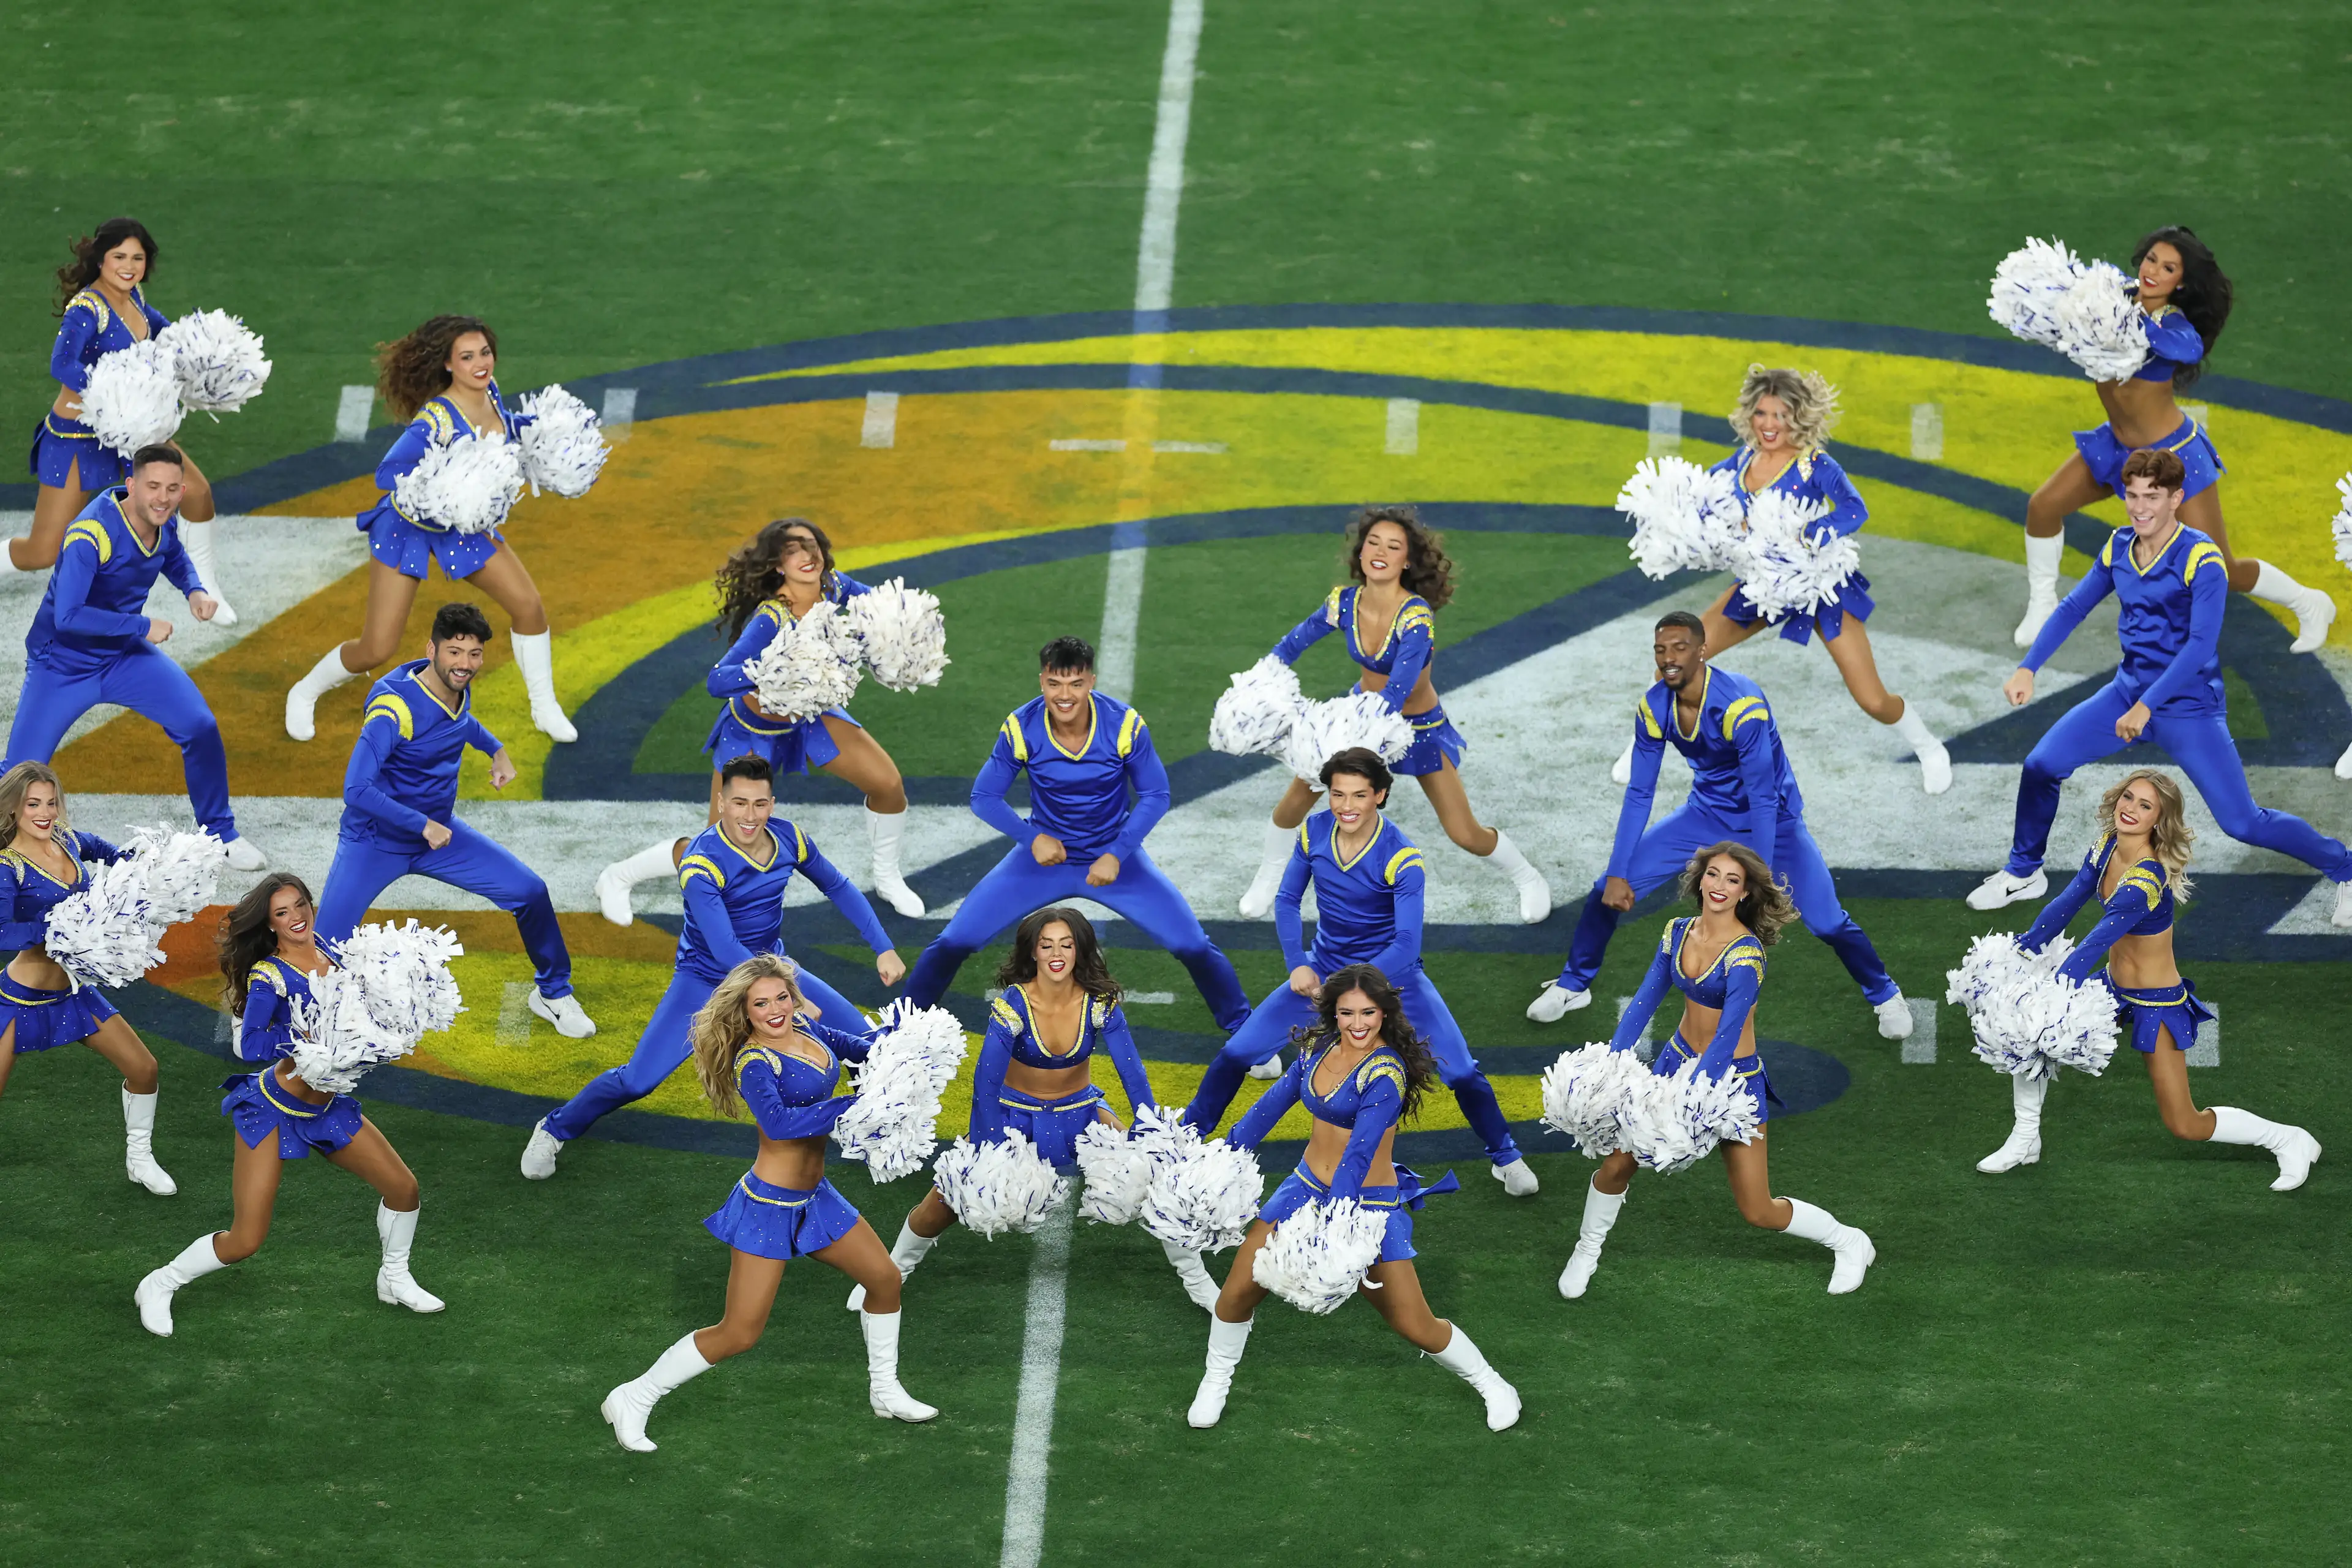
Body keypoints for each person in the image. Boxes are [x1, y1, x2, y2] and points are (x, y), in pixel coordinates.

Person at [1968, 447, 2352, 927]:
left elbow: (2199, 646)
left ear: (2177, 498)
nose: (2140, 506)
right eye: (2132, 494)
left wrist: (2147, 706)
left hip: (2188, 709)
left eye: (2153, 495)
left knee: (2243, 823)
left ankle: (2347, 867)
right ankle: (2025, 871)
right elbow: (2072, 608)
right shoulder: (2118, 547)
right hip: (2126, 696)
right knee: (2043, 764)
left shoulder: (2202, 559)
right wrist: (2029, 668)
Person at [600, 955, 937, 1452]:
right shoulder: (754, 1062)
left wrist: (907, 1049)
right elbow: (779, 1124)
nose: (776, 1010)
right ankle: (635, 1396)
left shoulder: (807, 1028)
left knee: (885, 1279)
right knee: (739, 1332)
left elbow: (861, 1050)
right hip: (769, 1206)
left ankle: (884, 1391)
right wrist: (855, 1106)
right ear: (746, 1011)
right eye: (762, 1004)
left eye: (782, 997)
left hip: (817, 1197)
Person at [1528, 611, 1914, 1038]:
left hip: (1773, 824)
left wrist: (1759, 881)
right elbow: (1640, 793)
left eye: (1680, 648)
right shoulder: (1654, 707)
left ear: (1703, 651)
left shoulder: (1739, 704)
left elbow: (1764, 798)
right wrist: (1620, 871)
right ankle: (1574, 984)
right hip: (1706, 815)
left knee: (1827, 922)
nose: (1669, 658)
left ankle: (1883, 993)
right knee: (1606, 888)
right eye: (1661, 650)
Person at [1183, 747, 1540, 1196]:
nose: (1346, 807)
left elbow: (1407, 946)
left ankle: (1505, 1155)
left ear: (1381, 796)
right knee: (1237, 1053)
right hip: (1322, 977)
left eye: (1358, 795)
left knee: (1464, 1073)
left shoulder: (1403, 857)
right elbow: (1288, 900)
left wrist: (1342, 990)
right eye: (1337, 795)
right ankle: (1188, 1139)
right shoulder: (1314, 834)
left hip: (1395, 983)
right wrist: (1298, 963)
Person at [524, 753, 900, 1174]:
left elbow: (837, 885)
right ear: (721, 803)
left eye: (759, 804)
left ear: (772, 804)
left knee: (873, 1048)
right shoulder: (701, 863)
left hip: (774, 969)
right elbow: (724, 950)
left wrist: (882, 945)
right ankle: (554, 1128)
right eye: (739, 803)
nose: (750, 815)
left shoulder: (791, 839)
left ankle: (872, 1133)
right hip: (707, 981)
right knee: (637, 1080)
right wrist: (789, 996)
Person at [1185, 964, 1519, 1432]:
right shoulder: (1315, 1050)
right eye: (1347, 1013)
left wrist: (1332, 1223)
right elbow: (1269, 1107)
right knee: (1238, 1290)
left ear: (1384, 1014)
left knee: (1413, 1323)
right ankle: (1216, 1381)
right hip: (1302, 1186)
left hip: (1363, 1208)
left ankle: (1492, 1384)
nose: (1358, 1024)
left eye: (1368, 1013)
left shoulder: (1386, 1074)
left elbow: (1358, 1157)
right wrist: (1225, 1155)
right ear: (1333, 1013)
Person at [851, 906, 1216, 1310]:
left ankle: (1196, 1278)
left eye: (1067, 944)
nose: (1057, 953)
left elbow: (1132, 1074)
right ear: (1034, 953)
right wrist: (989, 1147)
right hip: (1013, 1119)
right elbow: (986, 1084)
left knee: (1156, 1179)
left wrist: (1149, 1129)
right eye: (1047, 945)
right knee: (944, 1201)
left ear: (1080, 951)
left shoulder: (1100, 1004)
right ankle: (888, 1273)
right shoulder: (1013, 1006)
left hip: (1082, 1117)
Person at [1556, 843, 1877, 1299]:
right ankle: (1587, 1249)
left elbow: (1729, 1032)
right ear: (1700, 880)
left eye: (1733, 880)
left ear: (1746, 893)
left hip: (1732, 1085)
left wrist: (1691, 1096)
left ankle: (1849, 1242)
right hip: (1675, 1061)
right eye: (1714, 874)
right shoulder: (1677, 932)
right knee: (1616, 1165)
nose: (1720, 886)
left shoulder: (1747, 954)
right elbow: (1645, 1001)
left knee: (1757, 1209)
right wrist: (1610, 1062)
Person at [1977, 771, 2323, 1189]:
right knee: (2032, 1036)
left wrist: (2055, 986)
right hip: (2112, 984)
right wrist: (2026, 945)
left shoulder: (2147, 877)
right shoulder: (2106, 846)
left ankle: (2288, 1139)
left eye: (2146, 806)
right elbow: (2069, 901)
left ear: (2160, 820)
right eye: (2129, 797)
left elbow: (2099, 937)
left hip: (2154, 1000)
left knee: (2184, 1122)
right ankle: (2025, 1138)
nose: (2131, 809)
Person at [132, 874, 443, 1336]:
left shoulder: (331, 952)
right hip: (272, 1111)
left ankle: (394, 1278)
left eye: (300, 905)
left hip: (327, 1109)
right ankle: (160, 1284)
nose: (296, 917)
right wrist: (303, 1034)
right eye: (282, 912)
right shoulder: (269, 976)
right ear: (270, 923)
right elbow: (251, 1043)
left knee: (405, 1190)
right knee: (246, 1239)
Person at [1616, 365, 1948, 794]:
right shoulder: (1738, 464)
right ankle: (1639, 748)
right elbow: (1701, 502)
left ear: (1799, 417)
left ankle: (1929, 746)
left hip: (1820, 590)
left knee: (1872, 699)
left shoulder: (1815, 466)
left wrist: (1822, 529)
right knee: (1679, 659)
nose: (1770, 425)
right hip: (1759, 589)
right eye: (1762, 414)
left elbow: (1854, 508)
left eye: (1780, 415)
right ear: (1749, 416)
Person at [903, 636, 1250, 1031]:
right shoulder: (1021, 727)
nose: (1064, 696)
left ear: (1091, 682)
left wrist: (1117, 853)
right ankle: (899, 1031)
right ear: (1042, 682)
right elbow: (984, 797)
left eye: (1075, 684)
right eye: (1054, 684)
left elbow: (1156, 794)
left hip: (1115, 861)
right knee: (953, 942)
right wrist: (1032, 838)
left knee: (1192, 945)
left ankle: (1244, 1033)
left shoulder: (1125, 726)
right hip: (1044, 859)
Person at [2012, 226, 2332, 651]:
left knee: (2224, 568)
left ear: (2180, 282)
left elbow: (2189, 349)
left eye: (2168, 268)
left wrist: (2128, 328)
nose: (2153, 271)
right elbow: (2084, 283)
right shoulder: (2111, 298)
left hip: (2171, 459)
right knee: (2043, 506)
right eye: (2150, 260)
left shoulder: (2172, 325)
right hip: (2116, 447)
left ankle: (2311, 604)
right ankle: (2043, 606)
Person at [597, 518, 925, 923]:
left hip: (809, 719)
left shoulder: (834, 586)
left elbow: (878, 608)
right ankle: (618, 876)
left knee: (888, 785)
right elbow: (718, 680)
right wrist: (771, 670)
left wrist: (902, 629)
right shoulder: (772, 618)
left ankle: (887, 877)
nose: (806, 556)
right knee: (721, 846)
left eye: (812, 545)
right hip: (754, 732)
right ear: (777, 566)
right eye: (792, 551)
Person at [1233, 507, 1551, 923]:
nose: (1381, 552)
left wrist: (1357, 736)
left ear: (1408, 560)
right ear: (1361, 552)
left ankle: (1527, 877)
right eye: (1373, 543)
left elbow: (1399, 688)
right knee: (1297, 797)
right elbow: (1290, 645)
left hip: (1414, 727)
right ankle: (1270, 874)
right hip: (1359, 717)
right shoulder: (1344, 603)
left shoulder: (1417, 617)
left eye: (1394, 546)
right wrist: (1259, 682)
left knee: (1463, 832)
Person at [283, 314, 579, 744]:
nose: (481, 364)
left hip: (461, 525)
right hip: (409, 527)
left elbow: (503, 433)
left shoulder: (491, 394)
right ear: (447, 365)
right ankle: (305, 691)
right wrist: (440, 490)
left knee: (529, 606)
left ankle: (544, 707)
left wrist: (542, 438)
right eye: (467, 357)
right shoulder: (435, 420)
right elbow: (390, 473)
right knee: (378, 647)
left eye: (485, 353)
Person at [315, 602, 596, 1038]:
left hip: (438, 837)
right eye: (455, 652)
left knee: (530, 891)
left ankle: (553, 993)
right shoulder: (393, 710)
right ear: (432, 649)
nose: (465, 664)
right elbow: (356, 790)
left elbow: (460, 723)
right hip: (376, 842)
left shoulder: (455, 687)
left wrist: (497, 749)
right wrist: (421, 825)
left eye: (474, 654)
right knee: (322, 950)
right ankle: (257, 1003)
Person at [1, 446, 268, 870]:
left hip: (122, 656)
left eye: (172, 489)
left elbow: (174, 555)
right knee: (18, 776)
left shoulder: (161, 520)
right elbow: (69, 616)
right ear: (131, 486)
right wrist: (143, 627)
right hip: (63, 665)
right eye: (153, 487)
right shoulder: (90, 535)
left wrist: (195, 590)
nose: (163, 498)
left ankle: (220, 832)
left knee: (199, 725)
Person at [8, 218, 227, 609]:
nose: (129, 266)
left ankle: (207, 589)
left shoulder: (135, 298)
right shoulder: (87, 308)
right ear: (101, 260)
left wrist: (205, 354)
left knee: (197, 493)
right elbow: (62, 364)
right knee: (43, 551)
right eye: (119, 257)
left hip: (132, 431)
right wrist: (109, 390)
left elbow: (165, 335)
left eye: (138, 258)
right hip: (77, 438)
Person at [0, 762, 176, 1194]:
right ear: (13, 809)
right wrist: (59, 927)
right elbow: (3, 930)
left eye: (52, 803)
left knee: (144, 1067)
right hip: (17, 999)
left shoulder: (68, 840)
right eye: (33, 804)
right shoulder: (7, 865)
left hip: (73, 996)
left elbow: (115, 854)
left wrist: (151, 869)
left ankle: (140, 1159)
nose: (45, 813)